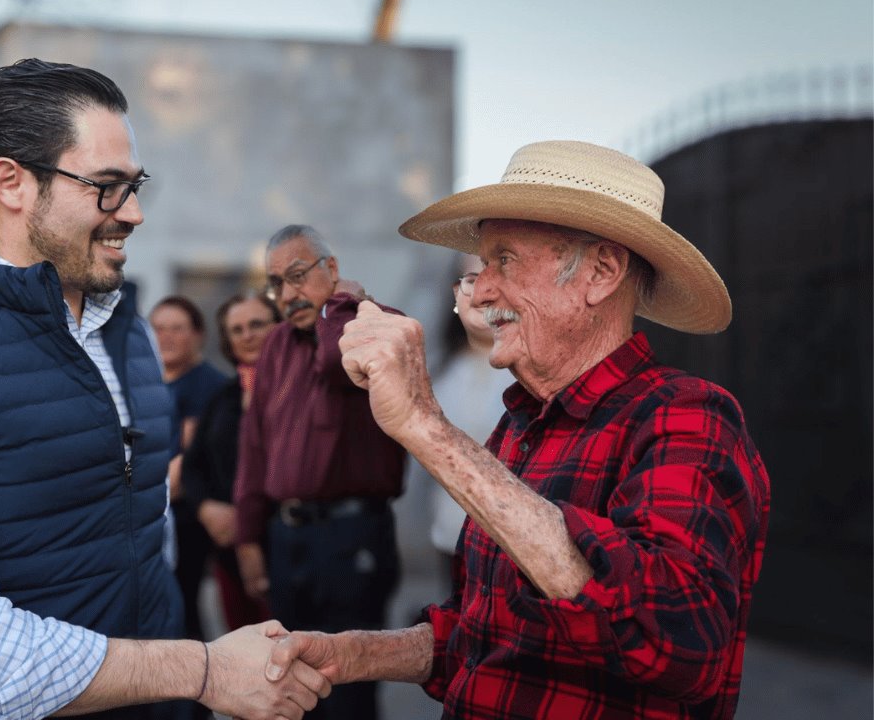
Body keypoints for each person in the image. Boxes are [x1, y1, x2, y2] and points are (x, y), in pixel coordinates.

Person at [0, 59, 327, 720]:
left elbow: (144, 536)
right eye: (107, 187)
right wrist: (202, 670)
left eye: (136, 185)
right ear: (12, 183)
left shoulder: (131, 331)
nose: (135, 213)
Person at [265, 141, 771, 720]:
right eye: (481, 267)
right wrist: (353, 653)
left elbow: (674, 642)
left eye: (503, 260)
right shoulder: (521, 424)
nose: (479, 292)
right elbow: (488, 633)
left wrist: (425, 426)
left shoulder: (687, 416)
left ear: (602, 272)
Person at [233, 224, 407, 719]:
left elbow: (337, 363)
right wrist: (248, 540)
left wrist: (339, 306)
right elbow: (254, 445)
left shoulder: (376, 321)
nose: (288, 295)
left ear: (332, 270)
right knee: (291, 683)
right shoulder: (276, 346)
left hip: (353, 538)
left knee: (349, 690)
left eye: (298, 276)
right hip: (288, 539)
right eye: (276, 284)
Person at [181, 293, 280, 632]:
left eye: (257, 325)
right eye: (236, 330)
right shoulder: (222, 396)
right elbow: (194, 467)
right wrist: (207, 508)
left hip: (284, 552)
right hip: (228, 555)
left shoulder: (301, 392)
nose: (247, 335)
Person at [424, 256, 517, 592]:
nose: (482, 292)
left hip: (511, 542)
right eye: (470, 279)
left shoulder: (527, 368)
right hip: (450, 534)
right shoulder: (440, 367)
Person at [149, 295, 227, 649]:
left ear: (198, 335)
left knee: (181, 615)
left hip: (180, 518)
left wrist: (139, 496)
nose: (166, 336)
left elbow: (187, 459)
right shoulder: (149, 382)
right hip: (154, 510)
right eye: (159, 328)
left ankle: (193, 699)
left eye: (177, 328)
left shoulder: (206, 385)